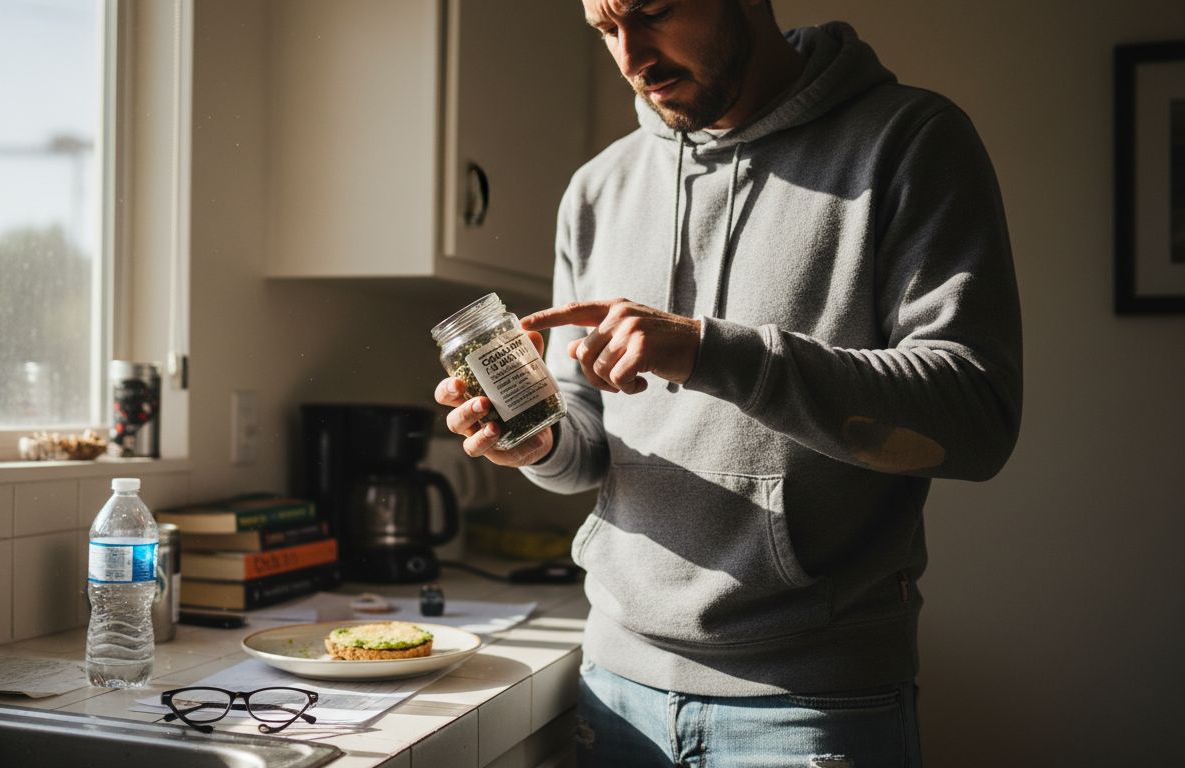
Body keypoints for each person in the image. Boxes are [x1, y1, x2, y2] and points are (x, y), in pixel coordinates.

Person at [434, 0, 1021, 765]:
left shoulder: (907, 142)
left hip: (811, 707)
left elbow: (976, 418)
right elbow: (584, 445)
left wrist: (711, 352)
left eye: (650, 12)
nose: (630, 57)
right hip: (614, 688)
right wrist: (538, 441)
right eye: (605, 29)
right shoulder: (596, 189)